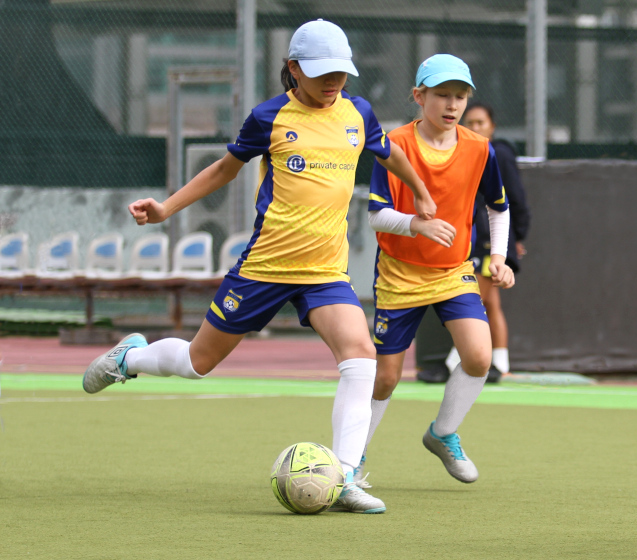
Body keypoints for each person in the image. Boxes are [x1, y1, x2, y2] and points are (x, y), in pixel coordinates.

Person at [81, 19, 435, 514]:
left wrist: (418, 189)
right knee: (196, 363)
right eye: (322, 72)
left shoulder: (358, 113)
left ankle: (346, 476)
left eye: (342, 72)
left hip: (325, 272)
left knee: (360, 356)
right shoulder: (269, 117)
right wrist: (166, 208)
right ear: (293, 69)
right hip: (264, 269)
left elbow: (388, 150)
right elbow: (224, 169)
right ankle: (129, 360)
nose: (334, 81)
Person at [361, 54, 513, 487]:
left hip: (454, 272)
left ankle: (443, 433)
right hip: (399, 273)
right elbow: (376, 214)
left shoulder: (480, 149)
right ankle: (352, 459)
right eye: (442, 95)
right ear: (418, 96)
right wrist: (417, 225)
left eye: (460, 97)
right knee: (385, 379)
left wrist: (497, 257)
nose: (452, 104)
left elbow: (497, 208)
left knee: (479, 357)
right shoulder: (394, 145)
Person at [439, 101, 530, 382]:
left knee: (476, 297)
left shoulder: (498, 153)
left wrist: (517, 237)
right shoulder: (466, 151)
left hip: (492, 242)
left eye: (481, 123)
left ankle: (457, 359)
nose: (475, 127)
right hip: (475, 240)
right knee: (492, 304)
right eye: (471, 123)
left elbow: (514, 199)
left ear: (492, 126)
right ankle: (500, 362)